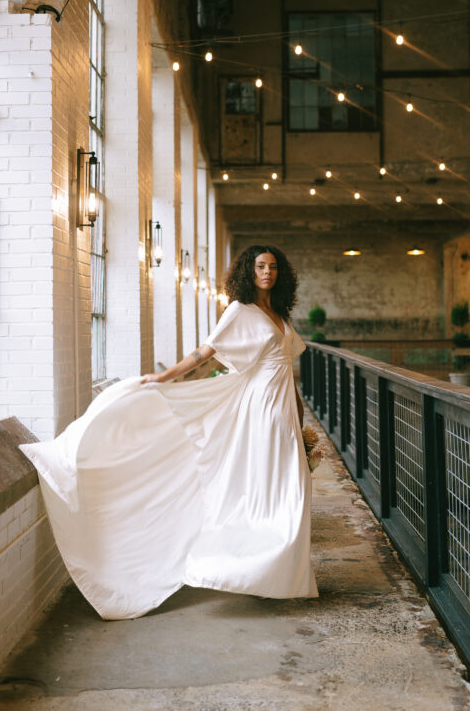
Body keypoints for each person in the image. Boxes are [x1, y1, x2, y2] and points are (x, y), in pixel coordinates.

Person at [20, 244, 318, 619]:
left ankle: (276, 570)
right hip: (260, 409)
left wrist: (299, 412)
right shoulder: (240, 311)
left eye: (273, 267)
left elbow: (287, 372)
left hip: (282, 408)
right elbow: (205, 352)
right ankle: (251, 566)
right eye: (260, 266)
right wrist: (163, 376)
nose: (267, 272)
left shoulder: (277, 313)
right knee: (271, 484)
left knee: (291, 483)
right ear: (248, 270)